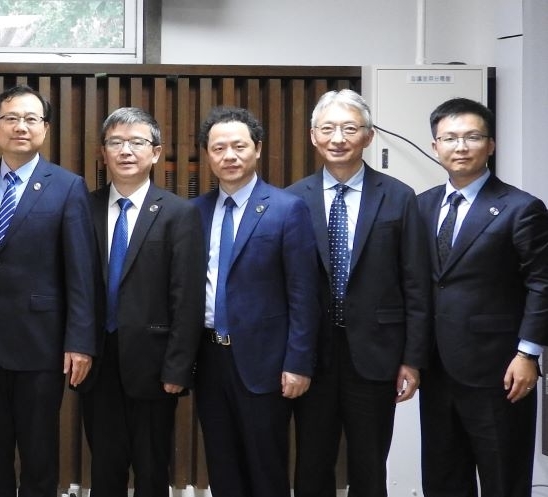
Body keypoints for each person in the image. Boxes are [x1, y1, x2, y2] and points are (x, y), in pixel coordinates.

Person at [285, 90, 431, 497]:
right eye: (328, 128)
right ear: (314, 136)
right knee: (312, 461)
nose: (338, 138)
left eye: (350, 128)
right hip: (312, 354)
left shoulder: (399, 196)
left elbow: (415, 283)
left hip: (376, 352)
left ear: (367, 137)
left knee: (370, 464)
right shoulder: (293, 199)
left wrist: (412, 360)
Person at [0, 85, 96, 497]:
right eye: (11, 118)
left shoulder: (68, 186)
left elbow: (81, 271)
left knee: (39, 455)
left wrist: (80, 341)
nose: (21, 127)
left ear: (45, 128)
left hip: (41, 344)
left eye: (31, 119)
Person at [416, 97, 546, 497]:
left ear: (490, 145)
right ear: (436, 145)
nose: (461, 147)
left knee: (502, 477)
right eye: (450, 138)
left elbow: (542, 283)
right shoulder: (422, 206)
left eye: (472, 137)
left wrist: (528, 355)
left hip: (500, 370)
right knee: (442, 477)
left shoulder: (520, 207)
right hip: (436, 368)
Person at [191, 106, 319, 497]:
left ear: (257, 149)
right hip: (210, 358)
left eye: (238, 146)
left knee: (266, 468)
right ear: (208, 155)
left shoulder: (286, 208)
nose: (229, 156)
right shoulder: (195, 212)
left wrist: (298, 363)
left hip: (265, 361)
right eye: (218, 148)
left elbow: (303, 293)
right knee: (222, 466)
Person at [79, 107, 203, 497]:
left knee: (152, 470)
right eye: (116, 142)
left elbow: (188, 296)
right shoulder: (84, 207)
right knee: (104, 468)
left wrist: (178, 367)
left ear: (155, 152)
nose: (126, 150)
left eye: (137, 142)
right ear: (103, 153)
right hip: (96, 360)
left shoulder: (179, 214)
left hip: (154, 362)